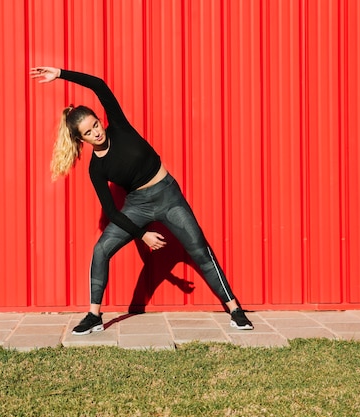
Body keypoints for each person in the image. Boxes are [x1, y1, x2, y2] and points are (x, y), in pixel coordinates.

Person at [30, 66, 253, 335]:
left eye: (96, 125)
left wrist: (61, 73)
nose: (97, 133)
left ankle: (235, 309)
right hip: (137, 206)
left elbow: (99, 85)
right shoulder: (96, 169)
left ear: (100, 121)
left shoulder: (119, 127)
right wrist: (142, 235)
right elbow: (112, 211)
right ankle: (93, 316)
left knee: (199, 250)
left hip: (168, 196)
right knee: (101, 250)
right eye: (88, 133)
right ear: (81, 139)